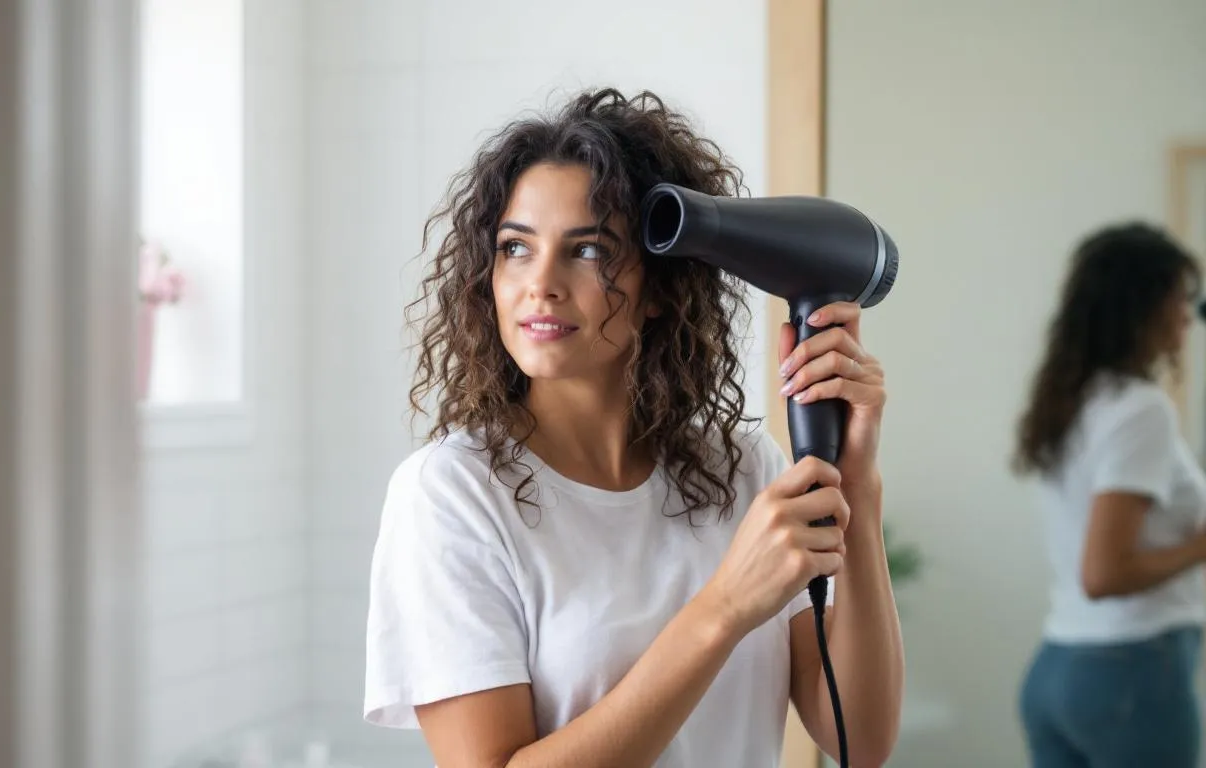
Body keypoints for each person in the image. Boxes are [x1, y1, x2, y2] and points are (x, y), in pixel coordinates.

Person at [362, 87, 904, 767]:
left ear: (658, 290)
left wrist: (856, 484)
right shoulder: (452, 495)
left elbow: (863, 738)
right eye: (515, 247)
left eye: (588, 251)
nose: (541, 284)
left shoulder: (744, 471)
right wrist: (724, 607)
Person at [1014, 223, 1206, 767]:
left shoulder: (1077, 401)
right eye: (1179, 298)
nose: (1186, 316)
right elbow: (1103, 574)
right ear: (1141, 306)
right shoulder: (1142, 409)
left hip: (1058, 670)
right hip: (1130, 677)